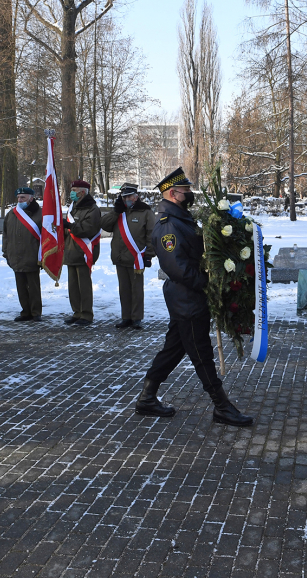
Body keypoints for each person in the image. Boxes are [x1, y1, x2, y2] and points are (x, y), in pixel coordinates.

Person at [134, 167, 254, 427]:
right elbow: (176, 266)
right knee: (201, 354)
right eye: (186, 190)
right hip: (186, 297)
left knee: (173, 349)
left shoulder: (181, 217)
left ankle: (147, 397)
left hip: (189, 298)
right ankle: (222, 406)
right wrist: (207, 284)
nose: (190, 194)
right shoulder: (168, 225)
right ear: (174, 193)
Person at [100, 182, 156, 330]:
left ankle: (136, 318)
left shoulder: (145, 212)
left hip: (136, 258)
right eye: (124, 197)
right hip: (120, 257)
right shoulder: (119, 212)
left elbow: (152, 234)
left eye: (129, 196)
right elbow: (104, 225)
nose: (127, 200)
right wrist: (115, 212)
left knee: (136, 290)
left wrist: (149, 255)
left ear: (136, 197)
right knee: (124, 289)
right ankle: (126, 317)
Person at [63, 179, 101, 326]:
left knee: (83, 285)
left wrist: (70, 226)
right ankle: (77, 312)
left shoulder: (92, 209)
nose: (72, 192)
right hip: (71, 250)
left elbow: (88, 229)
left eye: (75, 190)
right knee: (73, 285)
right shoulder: (73, 207)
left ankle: (86, 314)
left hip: (85, 251)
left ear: (83, 192)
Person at [3, 187, 43, 322]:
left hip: (32, 255)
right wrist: (6, 252)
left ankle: (36, 312)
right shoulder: (11, 214)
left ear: (31, 198)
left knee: (33, 287)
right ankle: (25, 311)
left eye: (23, 197)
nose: (20, 200)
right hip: (15, 255)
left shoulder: (40, 214)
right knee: (21, 287)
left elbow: (46, 237)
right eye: (18, 197)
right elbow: (5, 235)